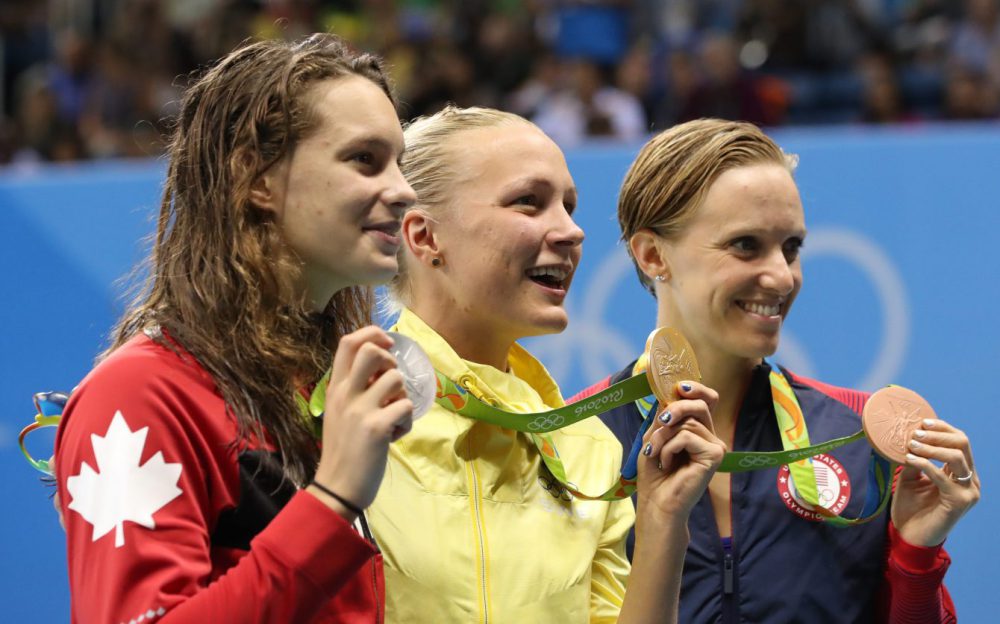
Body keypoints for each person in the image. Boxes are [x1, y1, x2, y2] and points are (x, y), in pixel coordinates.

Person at [53, 34, 418, 623]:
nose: (403, 190)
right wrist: (332, 500)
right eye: (364, 160)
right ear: (256, 177)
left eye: (399, 162)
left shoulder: (319, 387)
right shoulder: (138, 396)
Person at [574, 118, 980, 622]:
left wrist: (916, 555)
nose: (782, 277)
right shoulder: (572, 446)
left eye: (791, 248)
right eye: (746, 245)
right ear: (653, 255)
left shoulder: (860, 438)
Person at [368, 105, 727, 623]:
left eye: (569, 206)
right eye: (529, 202)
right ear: (425, 237)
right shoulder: (343, 413)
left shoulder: (588, 449)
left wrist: (661, 520)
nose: (571, 231)